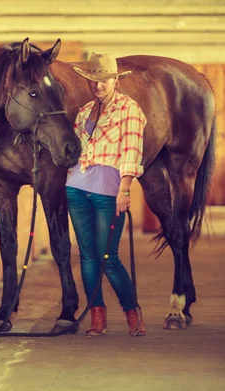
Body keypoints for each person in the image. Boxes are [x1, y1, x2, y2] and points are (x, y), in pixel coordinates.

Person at [67, 52, 147, 337]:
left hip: (107, 192)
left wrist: (124, 189)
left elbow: (131, 151)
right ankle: (96, 317)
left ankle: (132, 314)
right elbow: (74, 150)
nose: (98, 85)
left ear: (115, 79)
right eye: (93, 80)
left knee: (107, 256)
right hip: (76, 188)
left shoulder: (129, 110)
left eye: (104, 79)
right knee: (87, 256)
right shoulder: (86, 111)